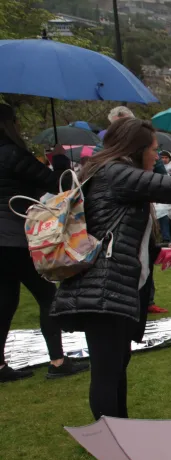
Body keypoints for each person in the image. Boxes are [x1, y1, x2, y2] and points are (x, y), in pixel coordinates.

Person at [50, 118, 171, 428]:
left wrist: (159, 253)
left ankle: (121, 436)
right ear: (137, 149)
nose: (157, 158)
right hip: (105, 288)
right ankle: (111, 447)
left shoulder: (109, 172)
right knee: (107, 372)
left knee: (116, 367)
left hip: (115, 287)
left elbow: (120, 232)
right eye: (155, 151)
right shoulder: (115, 173)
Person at [0, 105, 87, 382]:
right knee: (48, 297)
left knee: (5, 302)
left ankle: (0, 366)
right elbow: (54, 182)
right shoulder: (12, 153)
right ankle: (58, 361)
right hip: (15, 237)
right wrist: (59, 160)